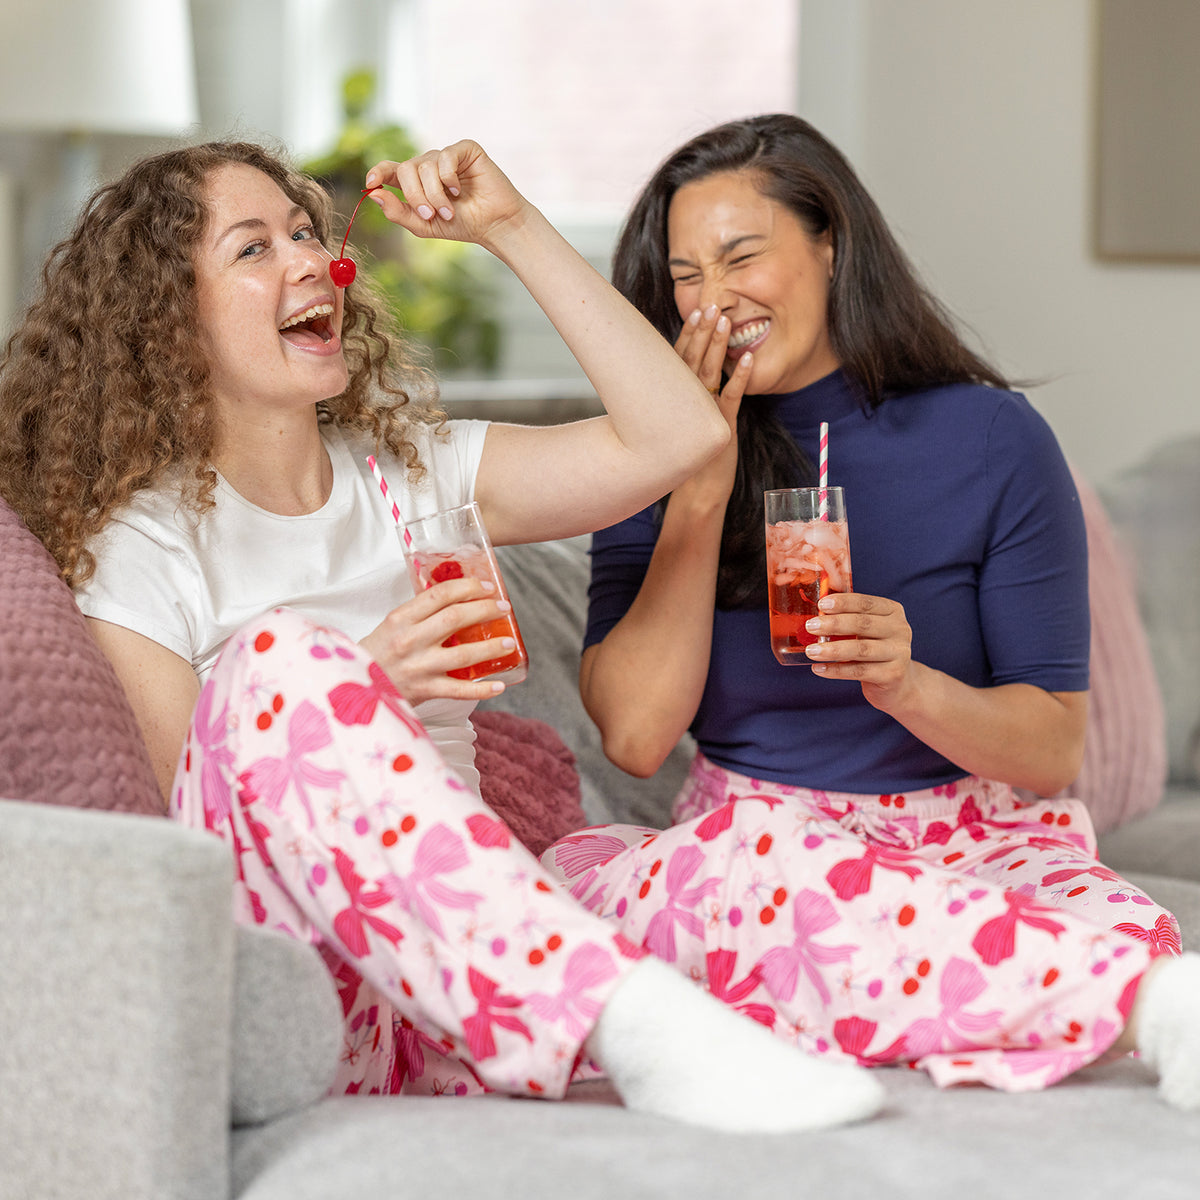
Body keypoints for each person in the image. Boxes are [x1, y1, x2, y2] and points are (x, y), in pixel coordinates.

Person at [0, 136, 889, 1133]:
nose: (314, 260)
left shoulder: (412, 471)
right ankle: (628, 1022)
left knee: (742, 856)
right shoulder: (144, 545)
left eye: (305, 230)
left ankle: (1098, 991)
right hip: (306, 982)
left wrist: (506, 226)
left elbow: (680, 438)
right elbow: (187, 820)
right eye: (254, 250)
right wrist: (359, 677)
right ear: (167, 327)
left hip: (466, 990)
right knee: (279, 660)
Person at [569, 113, 1200, 1109]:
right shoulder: (643, 457)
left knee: (1111, 926)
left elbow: (1048, 752)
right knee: (758, 881)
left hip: (970, 838)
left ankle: (902, 993)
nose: (715, 297)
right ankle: (1090, 1006)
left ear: (830, 245)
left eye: (743, 255)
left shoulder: (993, 440)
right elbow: (639, 740)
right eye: (686, 275)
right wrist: (697, 479)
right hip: (754, 851)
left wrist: (906, 684)